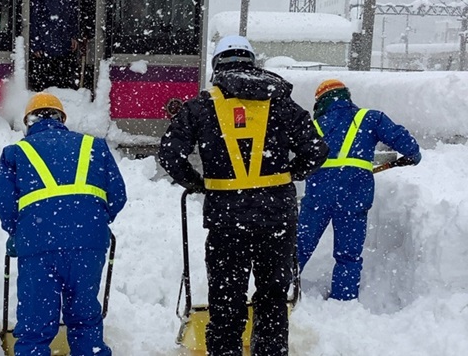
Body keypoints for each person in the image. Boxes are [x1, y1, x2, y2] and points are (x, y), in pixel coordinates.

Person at [158, 35, 328, 356]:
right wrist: (290, 175)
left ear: (217, 67)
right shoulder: (280, 101)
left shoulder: (200, 107)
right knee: (272, 298)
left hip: (226, 219)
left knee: (226, 301)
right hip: (276, 217)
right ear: (252, 63)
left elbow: (170, 153)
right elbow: (316, 149)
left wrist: (197, 183)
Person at [0, 93, 127, 356]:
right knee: (85, 320)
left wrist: (18, 231)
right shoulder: (94, 146)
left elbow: (2, 202)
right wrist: (94, 222)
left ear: (28, 122)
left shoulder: (16, 153)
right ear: (61, 119)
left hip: (38, 247)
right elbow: (118, 195)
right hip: (89, 246)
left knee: (35, 325)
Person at [297, 79, 422, 301]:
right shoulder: (370, 118)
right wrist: (412, 155)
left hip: (318, 194)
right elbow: (403, 141)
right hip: (354, 195)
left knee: (299, 248)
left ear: (320, 103)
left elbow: (296, 157)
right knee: (349, 254)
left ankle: (282, 294)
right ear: (347, 97)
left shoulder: (313, 126)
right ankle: (343, 299)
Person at [29, 0, 80, 91]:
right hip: (45, 41)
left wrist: (74, 34)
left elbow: (73, 13)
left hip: (64, 41)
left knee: (63, 82)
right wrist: (35, 43)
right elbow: (33, 15)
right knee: (44, 84)